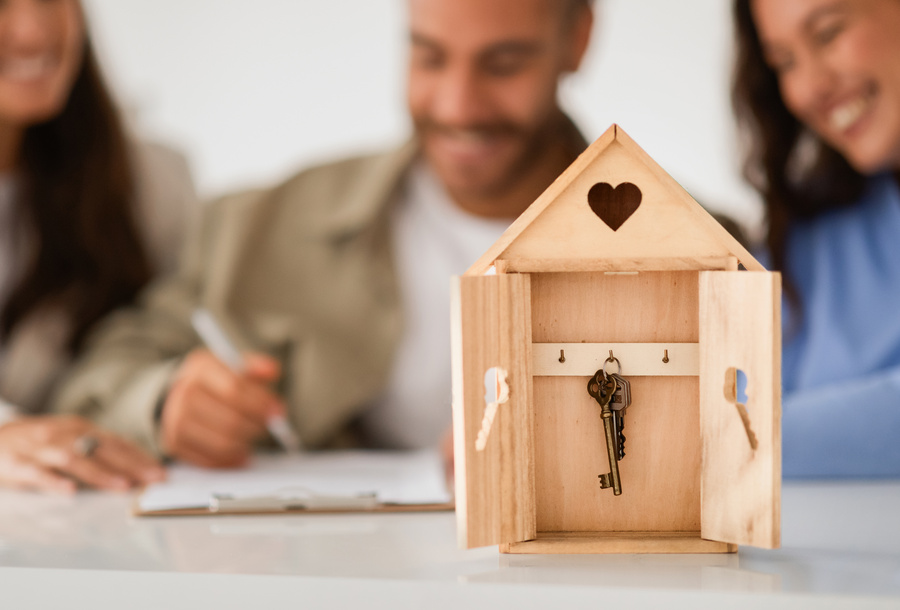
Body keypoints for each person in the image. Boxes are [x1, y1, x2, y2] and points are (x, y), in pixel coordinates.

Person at [51, 0, 596, 468]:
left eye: (504, 65)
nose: (457, 105)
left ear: (577, 40)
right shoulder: (260, 224)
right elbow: (94, 378)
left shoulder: (677, 248)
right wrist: (164, 401)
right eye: (429, 57)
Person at [0, 0, 197, 492]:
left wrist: (166, 400)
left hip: (79, 537)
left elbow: (159, 344)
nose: (32, 32)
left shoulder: (149, 185)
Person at [733, 0, 900, 477]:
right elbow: (718, 402)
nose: (809, 88)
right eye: (784, 62)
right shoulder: (804, 247)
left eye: (828, 33)